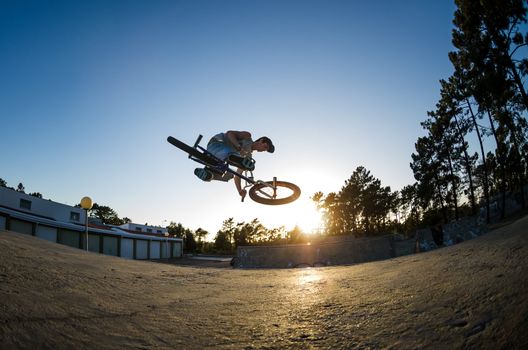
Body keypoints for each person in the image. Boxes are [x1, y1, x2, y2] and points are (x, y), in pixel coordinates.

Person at [194, 130, 274, 199]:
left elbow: (238, 175)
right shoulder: (247, 136)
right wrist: (239, 147)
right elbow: (229, 133)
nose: (264, 150)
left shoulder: (247, 157)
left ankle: (209, 174)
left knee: (229, 174)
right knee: (232, 154)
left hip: (219, 158)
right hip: (217, 143)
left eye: (266, 150)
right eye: (265, 146)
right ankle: (233, 158)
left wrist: (240, 191)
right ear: (261, 140)